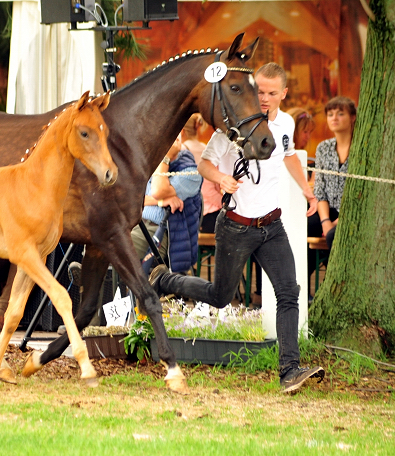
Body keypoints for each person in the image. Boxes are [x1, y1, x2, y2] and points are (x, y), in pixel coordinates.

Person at [148, 63, 325, 393]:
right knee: (220, 296)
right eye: (259, 91)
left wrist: (306, 188)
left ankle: (289, 370)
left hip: (272, 226)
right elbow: (203, 164)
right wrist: (221, 178)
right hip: (236, 228)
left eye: (272, 93)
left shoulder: (285, 124)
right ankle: (163, 279)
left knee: (289, 293)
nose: (265, 98)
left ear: (284, 94)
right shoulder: (230, 129)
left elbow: (287, 156)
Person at [130, 132, 202, 272]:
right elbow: (130, 198)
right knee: (99, 237)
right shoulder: (148, 162)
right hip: (136, 223)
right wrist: (159, 202)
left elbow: (157, 191)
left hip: (161, 232)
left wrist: (166, 158)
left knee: (118, 247)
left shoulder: (191, 172)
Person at [307, 96, 356, 278]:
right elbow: (319, 189)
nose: (334, 118)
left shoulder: (361, 147)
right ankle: (299, 285)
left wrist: (338, 221)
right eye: (330, 114)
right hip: (327, 210)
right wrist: (325, 220)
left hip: (353, 211)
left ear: (352, 117)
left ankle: (335, 282)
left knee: (333, 235)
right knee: (304, 227)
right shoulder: (323, 148)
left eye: (340, 113)